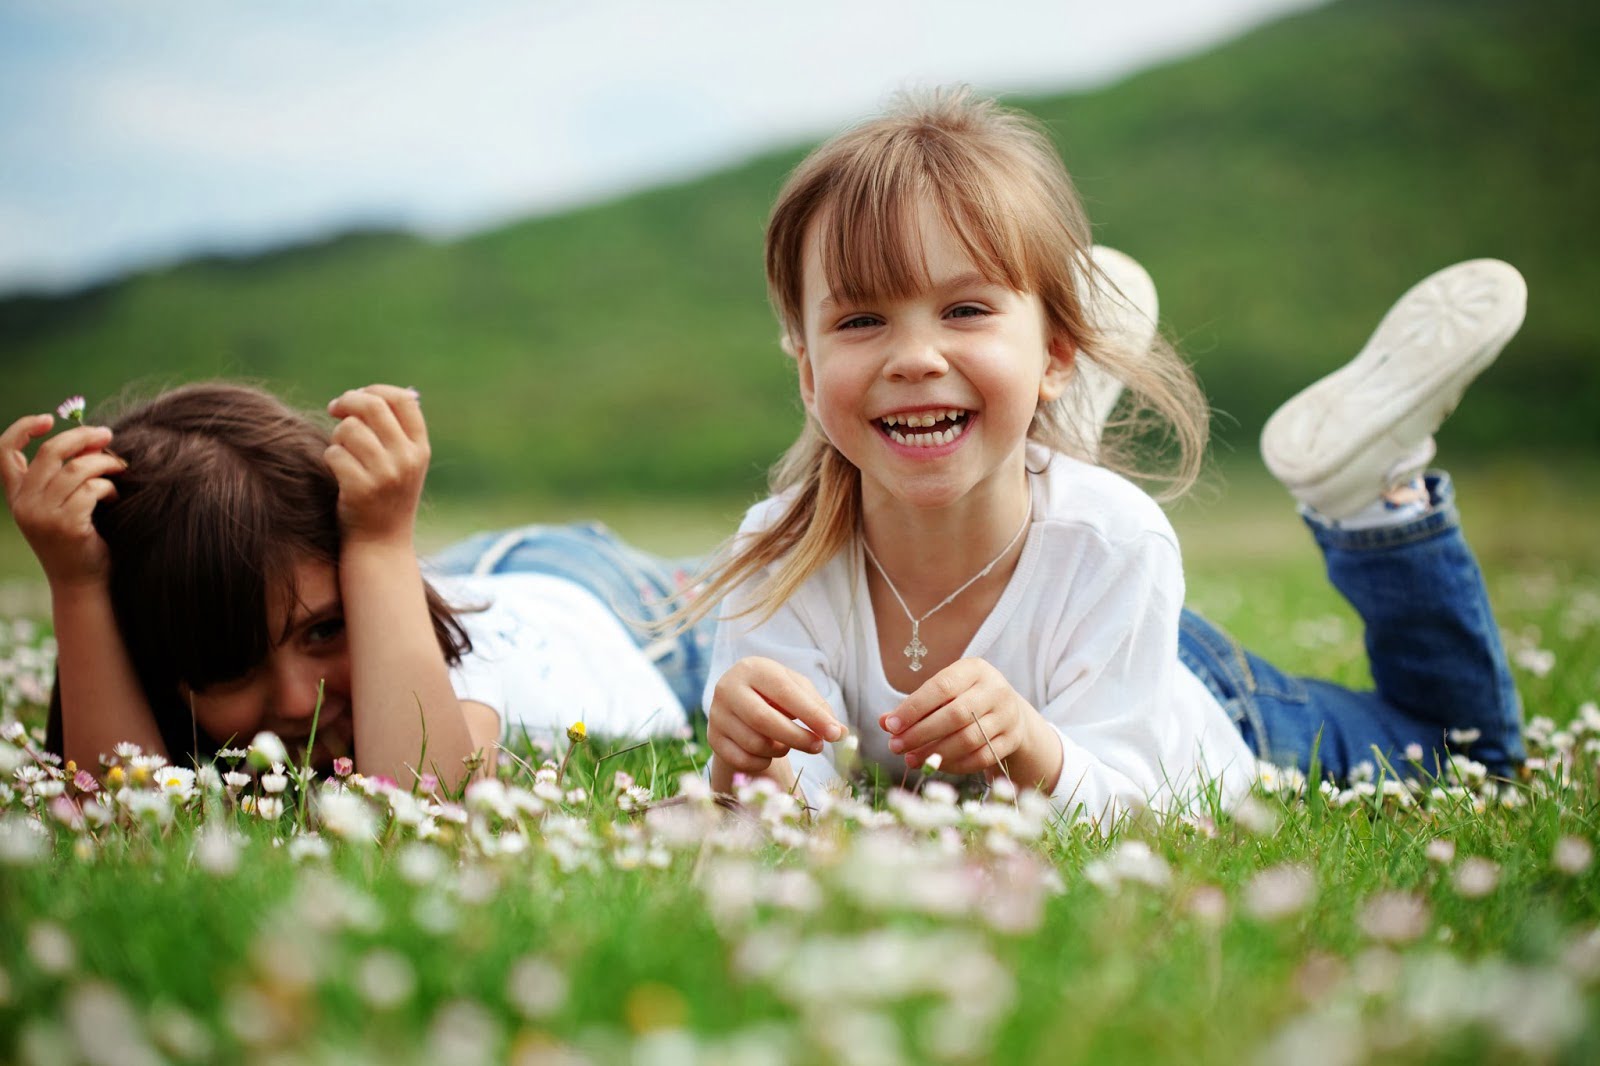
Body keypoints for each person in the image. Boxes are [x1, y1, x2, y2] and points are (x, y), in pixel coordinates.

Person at [687, 88, 1527, 822]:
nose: (913, 357)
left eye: (967, 310)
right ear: (807, 374)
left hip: (1197, 703)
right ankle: (1023, 436)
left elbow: (1136, 801)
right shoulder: (779, 554)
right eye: (860, 321)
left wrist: (1034, 751)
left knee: (1468, 759)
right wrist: (744, 769)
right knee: (1068, 546)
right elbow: (790, 812)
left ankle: (1368, 493)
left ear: (1058, 353)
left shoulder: (1120, 540)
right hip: (1080, 603)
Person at [1, 382, 711, 788]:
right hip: (464, 575)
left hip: (613, 611)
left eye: (324, 631)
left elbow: (419, 801)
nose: (292, 700)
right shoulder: (328, 596)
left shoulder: (457, 673)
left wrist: (378, 540)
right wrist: (77, 583)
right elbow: (116, 806)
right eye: (228, 665)